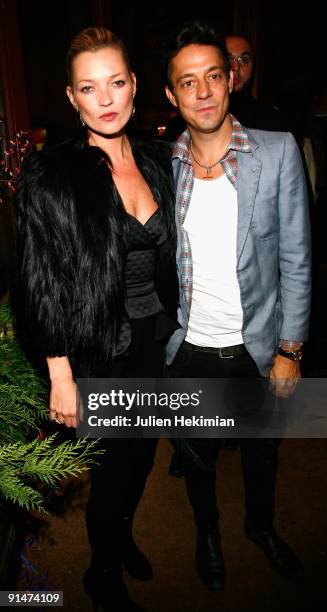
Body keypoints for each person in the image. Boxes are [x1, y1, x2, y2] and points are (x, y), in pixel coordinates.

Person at [13, 27, 178, 612]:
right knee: (110, 472)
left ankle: (122, 537)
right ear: (71, 97)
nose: (105, 99)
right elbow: (37, 282)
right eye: (90, 87)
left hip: (154, 343)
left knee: (142, 458)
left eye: (115, 83)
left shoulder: (159, 161)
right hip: (98, 352)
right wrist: (61, 374)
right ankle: (99, 571)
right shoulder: (51, 175)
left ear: (135, 87)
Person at [163, 21, 311, 593]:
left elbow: (297, 258)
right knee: (197, 461)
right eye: (187, 81)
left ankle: (260, 528)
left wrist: (289, 349)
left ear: (231, 82)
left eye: (213, 77)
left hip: (257, 347)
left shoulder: (276, 153)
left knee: (262, 455)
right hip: (191, 349)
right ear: (171, 94)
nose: (202, 92)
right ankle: (207, 536)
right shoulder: (162, 164)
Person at [225, 34, 290, 132]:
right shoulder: (203, 116)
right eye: (228, 59)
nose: (236, 67)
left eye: (244, 60)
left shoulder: (272, 121)